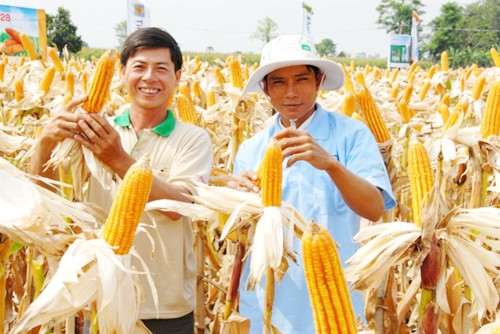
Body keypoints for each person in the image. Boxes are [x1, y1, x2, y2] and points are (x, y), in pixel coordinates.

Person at [30, 27, 213, 334]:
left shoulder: (193, 139)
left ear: (178, 77)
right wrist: (46, 142)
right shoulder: (94, 130)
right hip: (99, 296)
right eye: (139, 67)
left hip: (163, 309)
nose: (149, 78)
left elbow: (180, 207)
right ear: (123, 73)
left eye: (161, 69)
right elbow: (48, 198)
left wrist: (116, 158)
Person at [228, 34, 396, 333]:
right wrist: (233, 200)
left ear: (318, 81)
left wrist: (330, 164)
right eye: (278, 82)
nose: (291, 92)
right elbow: (235, 238)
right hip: (265, 306)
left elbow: (373, 209)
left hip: (333, 303)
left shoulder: (351, 135)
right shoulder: (251, 149)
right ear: (265, 88)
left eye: (301, 79)